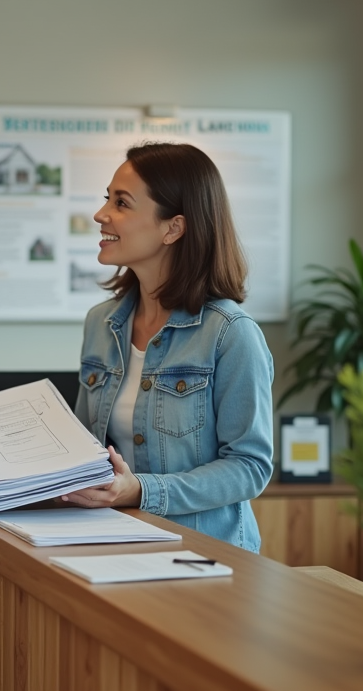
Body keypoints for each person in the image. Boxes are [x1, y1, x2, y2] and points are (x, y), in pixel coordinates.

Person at [62, 142, 273, 550]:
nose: (100, 214)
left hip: (207, 556)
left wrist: (141, 491)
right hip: (115, 544)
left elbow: (249, 467)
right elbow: (86, 445)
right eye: (107, 198)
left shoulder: (231, 333)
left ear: (173, 228)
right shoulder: (100, 324)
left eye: (122, 203)